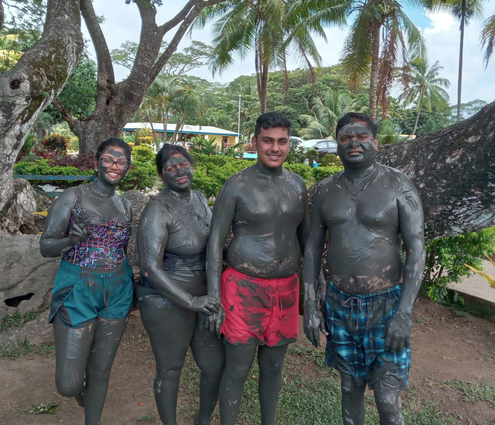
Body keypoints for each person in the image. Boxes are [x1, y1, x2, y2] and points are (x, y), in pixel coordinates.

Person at [303, 113, 426, 425]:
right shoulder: (326, 190)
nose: (353, 142)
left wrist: (404, 312)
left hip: (386, 304)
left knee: (387, 397)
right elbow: (313, 247)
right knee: (349, 387)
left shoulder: (398, 185)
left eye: (361, 136)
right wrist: (310, 302)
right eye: (345, 138)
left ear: (375, 142)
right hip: (339, 304)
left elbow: (416, 249)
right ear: (337, 145)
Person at [206, 111, 309, 425]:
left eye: (281, 141)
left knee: (274, 367)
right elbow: (214, 242)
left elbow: (305, 242)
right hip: (243, 287)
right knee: (237, 368)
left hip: (285, 289)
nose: (275, 148)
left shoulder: (299, 185)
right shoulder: (237, 185)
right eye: (268, 141)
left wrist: (309, 292)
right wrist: (213, 298)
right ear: (255, 142)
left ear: (289, 144)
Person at [39, 137, 134, 425]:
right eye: (108, 159)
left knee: (101, 371)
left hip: (117, 290)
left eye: (121, 162)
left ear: (127, 168)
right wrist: (70, 240)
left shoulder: (125, 205)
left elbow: (123, 248)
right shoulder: (72, 197)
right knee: (67, 385)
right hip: (77, 289)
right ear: (96, 162)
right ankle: (80, 391)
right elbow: (45, 246)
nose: (114, 166)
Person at [137, 144, 224, 425]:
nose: (179, 171)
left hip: (203, 296)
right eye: (171, 168)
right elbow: (150, 268)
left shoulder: (199, 199)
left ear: (193, 166)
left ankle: (203, 420)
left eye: (183, 164)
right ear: (162, 175)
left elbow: (213, 249)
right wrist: (191, 302)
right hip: (165, 299)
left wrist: (213, 297)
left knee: (214, 365)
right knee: (170, 368)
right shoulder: (157, 209)